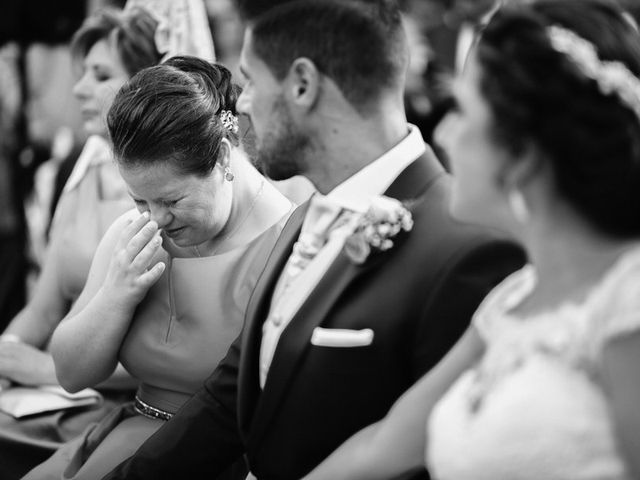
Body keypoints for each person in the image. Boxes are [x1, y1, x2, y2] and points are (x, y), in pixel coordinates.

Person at [103, 1, 526, 479]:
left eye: (254, 80)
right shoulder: (304, 219)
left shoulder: (467, 250)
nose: (241, 104)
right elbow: (228, 402)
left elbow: (436, 456)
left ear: (303, 85)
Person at [300, 0, 640, 479]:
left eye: (463, 110)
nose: (444, 130)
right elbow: (380, 449)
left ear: (522, 156)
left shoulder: (627, 307)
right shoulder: (512, 298)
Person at [24, 56, 293, 480]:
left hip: (225, 461)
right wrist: (115, 294)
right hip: (125, 436)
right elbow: (72, 374)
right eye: (138, 201)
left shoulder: (287, 246)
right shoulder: (136, 234)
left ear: (223, 158)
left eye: (172, 200)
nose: (156, 218)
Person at [0, 7, 166, 479]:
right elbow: (45, 307)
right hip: (56, 383)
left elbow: (175, 349)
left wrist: (45, 370)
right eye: (81, 75)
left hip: (123, 396)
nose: (79, 90)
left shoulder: (165, 196)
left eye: (100, 75)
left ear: (146, 83)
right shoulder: (84, 168)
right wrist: (8, 353)